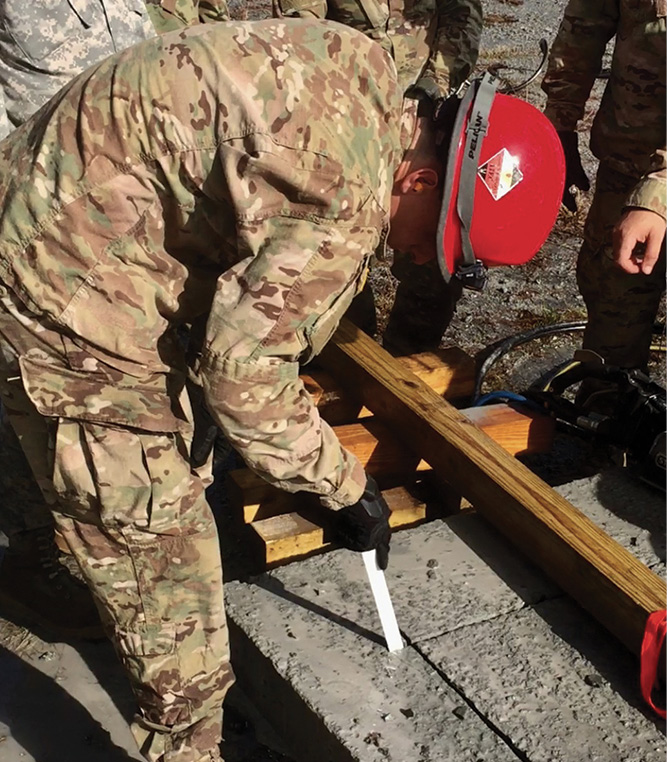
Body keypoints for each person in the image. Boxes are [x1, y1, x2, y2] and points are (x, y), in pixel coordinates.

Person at [0, 18, 563, 761]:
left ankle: (51, 548)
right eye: (426, 242)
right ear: (420, 180)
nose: (407, 256)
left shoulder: (361, 69)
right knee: (163, 548)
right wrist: (338, 485)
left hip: (53, 207)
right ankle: (188, 743)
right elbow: (243, 379)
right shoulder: (349, 199)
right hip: (64, 293)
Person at [0, 0, 228, 639]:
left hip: (123, 215)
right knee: (27, 384)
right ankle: (33, 550)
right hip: (32, 215)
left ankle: (89, 523)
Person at [273, 0, 483, 354]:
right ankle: (342, 359)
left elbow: (463, 13)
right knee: (330, 263)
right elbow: (300, 26)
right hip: (345, 125)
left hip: (425, 124)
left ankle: (409, 362)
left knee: (432, 269)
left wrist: (432, 88)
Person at [541, 0, 666, 407]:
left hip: (653, 185)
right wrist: (559, 124)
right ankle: (609, 430)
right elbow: (583, 28)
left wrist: (660, 188)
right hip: (628, 168)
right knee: (613, 311)